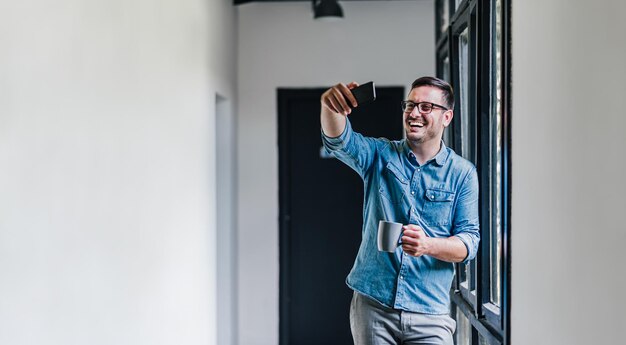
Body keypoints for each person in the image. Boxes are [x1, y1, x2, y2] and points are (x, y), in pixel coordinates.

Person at [320, 76, 480, 345]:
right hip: (373, 307)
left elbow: (468, 244)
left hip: (430, 313)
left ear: (447, 117)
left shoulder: (462, 174)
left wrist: (427, 245)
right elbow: (339, 141)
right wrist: (330, 108)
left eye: (426, 107)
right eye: (410, 105)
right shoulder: (380, 155)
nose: (414, 113)